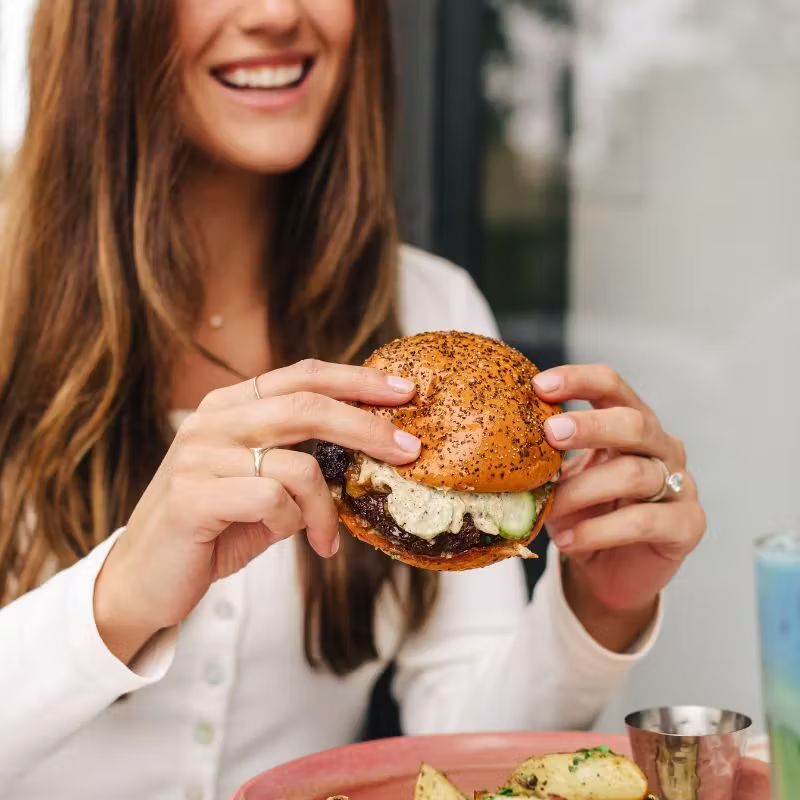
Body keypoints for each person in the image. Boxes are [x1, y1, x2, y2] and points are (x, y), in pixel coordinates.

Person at [0, 2, 706, 798]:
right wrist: (118, 598)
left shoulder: (428, 307)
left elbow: (458, 746)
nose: (276, 14)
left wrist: (597, 610)